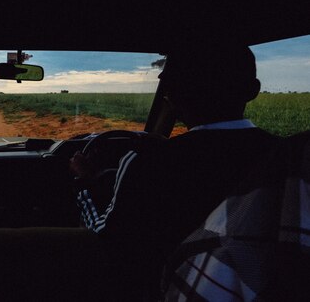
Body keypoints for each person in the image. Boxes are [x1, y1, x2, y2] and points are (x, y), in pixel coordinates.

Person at [70, 44, 279, 270]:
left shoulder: (149, 161)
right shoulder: (287, 156)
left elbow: (107, 240)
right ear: (252, 90)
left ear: (171, 96)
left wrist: (86, 183)